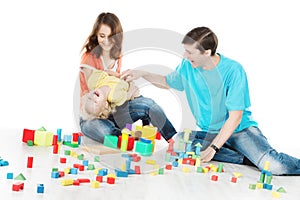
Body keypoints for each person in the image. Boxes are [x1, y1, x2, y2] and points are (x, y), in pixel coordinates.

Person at [121, 26, 300, 175]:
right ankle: (245, 157)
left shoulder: (233, 71)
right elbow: (167, 82)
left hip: (239, 130)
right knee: (176, 144)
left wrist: (213, 149)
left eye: (190, 52)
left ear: (207, 52)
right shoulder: (188, 66)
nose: (184, 55)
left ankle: (246, 153)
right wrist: (142, 74)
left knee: (274, 166)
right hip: (209, 132)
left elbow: (235, 116)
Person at [79, 12, 177, 143]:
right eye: (102, 36)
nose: (106, 41)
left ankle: (172, 139)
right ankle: (126, 136)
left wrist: (124, 82)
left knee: (148, 105)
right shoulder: (89, 59)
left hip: (114, 109)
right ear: (96, 35)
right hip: (92, 115)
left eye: (111, 37)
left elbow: (116, 85)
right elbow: (87, 94)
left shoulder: (117, 55)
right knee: (104, 131)